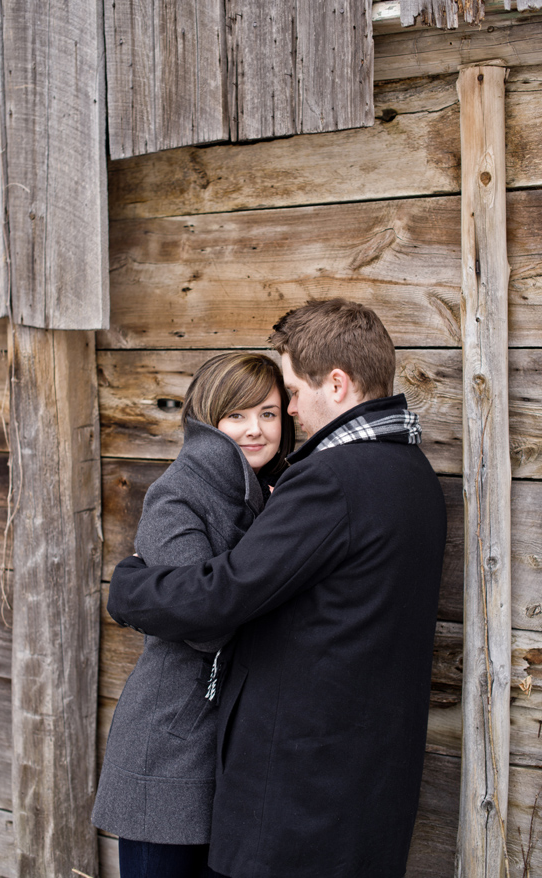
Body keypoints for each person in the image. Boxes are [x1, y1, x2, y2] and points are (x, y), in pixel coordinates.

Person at [107, 299, 446, 878]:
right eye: (242, 414)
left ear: (335, 384)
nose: (287, 411)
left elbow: (224, 595)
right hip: (364, 780)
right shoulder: (415, 476)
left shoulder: (332, 480)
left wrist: (129, 585)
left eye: (286, 395)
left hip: (304, 789)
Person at [92, 353, 294, 878]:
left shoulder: (276, 492)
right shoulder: (177, 495)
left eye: (269, 414)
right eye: (238, 416)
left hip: (227, 747)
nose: (256, 430)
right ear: (208, 419)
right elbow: (205, 623)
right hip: (170, 744)